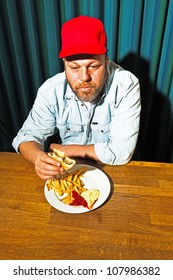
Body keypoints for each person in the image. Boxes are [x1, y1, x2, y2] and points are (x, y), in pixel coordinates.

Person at [12, 15, 141, 180]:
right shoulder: (50, 90)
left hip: (116, 171)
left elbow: (121, 152)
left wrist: (67, 150)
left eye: (93, 66)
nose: (84, 77)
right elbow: (26, 137)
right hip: (67, 172)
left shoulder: (126, 85)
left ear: (106, 60)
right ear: (64, 63)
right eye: (74, 67)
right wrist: (38, 157)